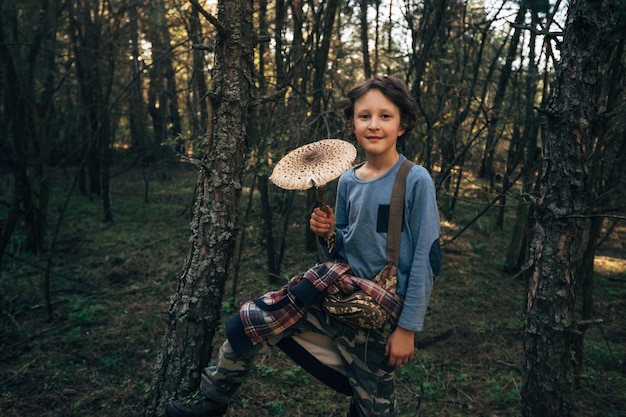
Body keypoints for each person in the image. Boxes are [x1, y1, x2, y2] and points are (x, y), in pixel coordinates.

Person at [165, 74, 441, 417]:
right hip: (335, 297)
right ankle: (211, 401)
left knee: (373, 408)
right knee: (251, 321)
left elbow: (427, 261)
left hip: (378, 321)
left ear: (402, 125)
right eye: (364, 116)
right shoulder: (348, 181)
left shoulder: (414, 179)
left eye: (385, 116)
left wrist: (407, 329)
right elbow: (341, 250)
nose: (374, 124)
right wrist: (327, 232)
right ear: (352, 124)